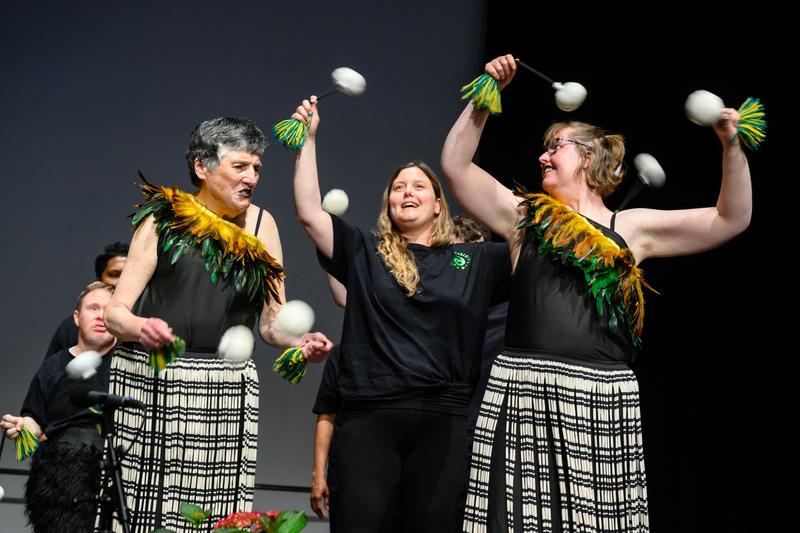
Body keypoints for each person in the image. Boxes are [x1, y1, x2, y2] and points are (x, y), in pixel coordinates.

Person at [440, 54, 753, 532]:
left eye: (555, 147)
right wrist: (486, 94)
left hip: (601, 395)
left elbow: (731, 218)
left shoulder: (634, 228)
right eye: (543, 149)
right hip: (527, 390)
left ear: (588, 156)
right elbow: (456, 166)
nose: (542, 156)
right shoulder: (525, 217)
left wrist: (731, 146)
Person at [291, 95, 511, 532]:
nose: (406, 192)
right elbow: (310, 215)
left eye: (418, 187)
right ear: (388, 203)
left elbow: (529, 240)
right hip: (370, 417)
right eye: (397, 187)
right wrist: (308, 140)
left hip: (444, 423)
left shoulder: (476, 260)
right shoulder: (365, 252)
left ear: (437, 205)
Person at [102, 116, 333, 532]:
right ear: (201, 167)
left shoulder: (263, 226)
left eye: (257, 168)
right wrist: (142, 329)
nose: (252, 178)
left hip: (225, 387)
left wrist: (298, 344)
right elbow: (115, 313)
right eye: (240, 166)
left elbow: (271, 322)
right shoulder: (163, 218)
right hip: (155, 380)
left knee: (215, 518)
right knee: (144, 513)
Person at [309, 215, 509, 528]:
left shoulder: (499, 321)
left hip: (459, 442)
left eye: (471, 263)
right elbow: (327, 411)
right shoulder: (398, 323)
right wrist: (318, 473)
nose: (464, 273)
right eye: (457, 262)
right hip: (379, 436)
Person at [2, 281, 117, 533]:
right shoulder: (53, 366)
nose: (100, 316)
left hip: (116, 476)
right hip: (58, 480)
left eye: (108, 310)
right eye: (93, 308)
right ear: (76, 317)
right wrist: (22, 426)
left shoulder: (130, 366)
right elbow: (34, 419)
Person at [45, 241, 128, 357]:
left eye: (128, 275)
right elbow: (52, 372)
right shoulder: (72, 327)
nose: (122, 282)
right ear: (99, 279)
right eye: (114, 274)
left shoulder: (146, 323)